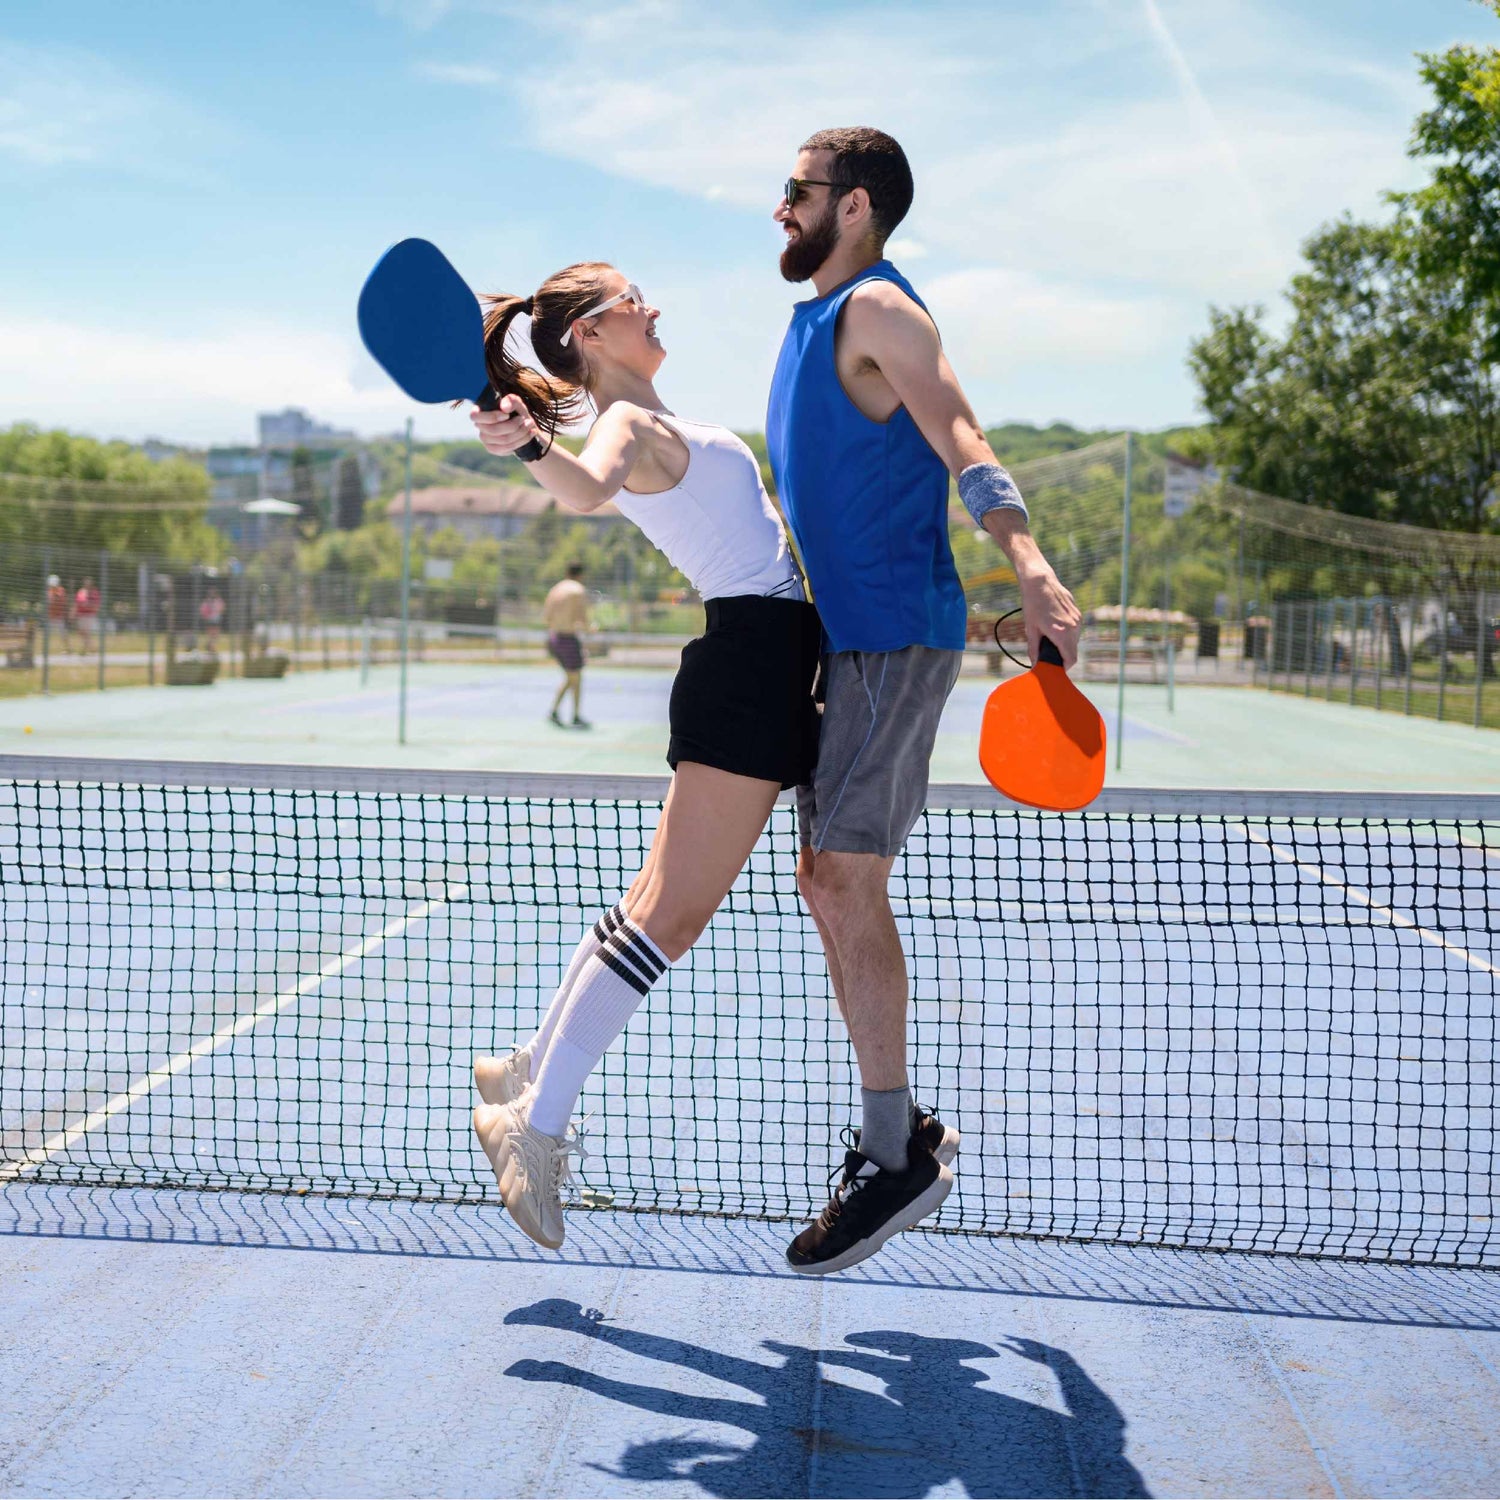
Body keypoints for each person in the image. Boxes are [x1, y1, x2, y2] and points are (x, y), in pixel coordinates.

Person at [767, 127, 1082, 1275]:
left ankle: (892, 1153)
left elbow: (962, 434)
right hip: (842, 643)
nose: (778, 209)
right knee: (824, 881)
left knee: (841, 876)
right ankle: (899, 1133)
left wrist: (1030, 564)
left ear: (852, 206)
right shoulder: (812, 320)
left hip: (896, 634)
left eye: (794, 192)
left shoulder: (886, 314)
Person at [466, 262, 821, 1251]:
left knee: (649, 907)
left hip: (758, 662)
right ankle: (533, 1131)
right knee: (671, 918)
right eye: (632, 301)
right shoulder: (629, 427)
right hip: (751, 666)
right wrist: (532, 441)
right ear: (590, 334)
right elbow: (581, 490)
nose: (653, 307)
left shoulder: (665, 423)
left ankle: (526, 1070)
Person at [541, 563, 592, 728]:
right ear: (581, 575)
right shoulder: (577, 589)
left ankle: (554, 711)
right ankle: (575, 716)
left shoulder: (555, 589)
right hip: (568, 639)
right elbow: (582, 618)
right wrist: (590, 630)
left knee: (572, 677)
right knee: (575, 677)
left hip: (554, 638)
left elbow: (546, 617)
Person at [72, 577, 100, 652]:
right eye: (86, 582)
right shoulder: (81, 591)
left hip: (89, 615)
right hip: (81, 615)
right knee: (81, 632)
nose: (87, 584)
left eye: (88, 582)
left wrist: (88, 605)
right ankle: (90, 647)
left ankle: (86, 649)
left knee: (87, 632)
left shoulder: (94, 592)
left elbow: (96, 604)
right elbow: (77, 603)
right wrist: (73, 613)